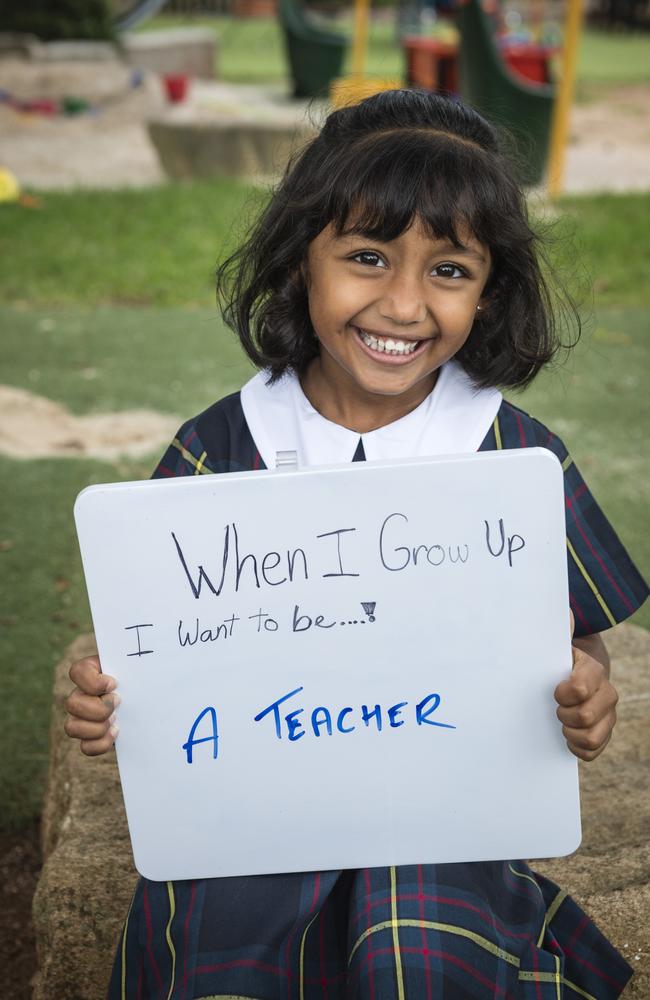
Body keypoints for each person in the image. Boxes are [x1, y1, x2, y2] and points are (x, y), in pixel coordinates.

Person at [65, 90, 647, 999]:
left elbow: (574, 641)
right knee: (225, 964)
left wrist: (586, 690)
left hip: (442, 822)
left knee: (414, 959)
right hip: (248, 824)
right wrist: (109, 700)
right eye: (367, 257)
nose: (404, 303)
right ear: (303, 260)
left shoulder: (515, 456)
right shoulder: (219, 447)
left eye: (449, 269)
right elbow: (151, 648)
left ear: (489, 289)